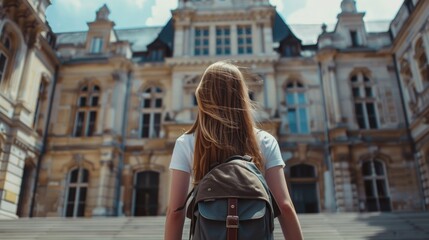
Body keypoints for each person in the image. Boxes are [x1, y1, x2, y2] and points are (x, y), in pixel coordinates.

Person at [164, 61, 303, 240]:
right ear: (242, 96)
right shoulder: (265, 141)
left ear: (203, 96)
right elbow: (284, 207)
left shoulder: (187, 142)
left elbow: (175, 212)